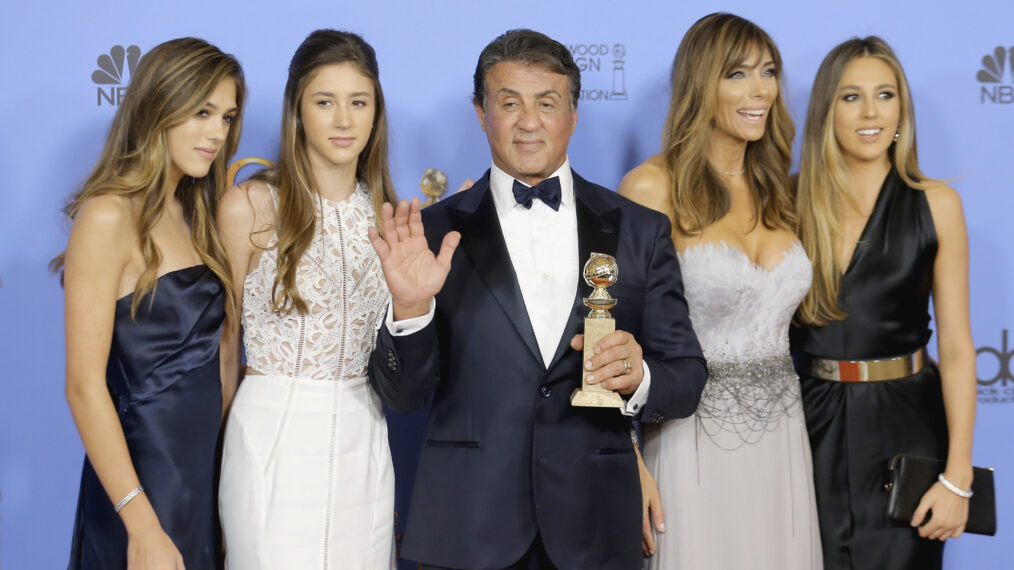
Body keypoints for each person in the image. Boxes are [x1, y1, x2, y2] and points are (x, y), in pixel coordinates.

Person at [367, 28, 707, 569]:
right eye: (509, 103)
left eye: (547, 103)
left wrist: (639, 377)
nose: (529, 122)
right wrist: (410, 310)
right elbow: (403, 397)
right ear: (481, 113)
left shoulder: (640, 230)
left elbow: (686, 377)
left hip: (597, 525)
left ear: (573, 114)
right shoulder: (428, 235)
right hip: (469, 530)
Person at [618, 13, 823, 568]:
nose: (759, 90)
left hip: (782, 439)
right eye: (737, 73)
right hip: (688, 442)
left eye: (769, 71)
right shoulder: (651, 186)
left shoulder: (781, 189)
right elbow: (610, 332)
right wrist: (628, 460)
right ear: (700, 83)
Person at [57, 37, 243, 569]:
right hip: (141, 488)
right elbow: (83, 387)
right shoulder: (108, 216)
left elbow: (222, 364)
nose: (217, 132)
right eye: (202, 111)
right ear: (159, 104)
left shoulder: (197, 216)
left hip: (201, 483)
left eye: (227, 117)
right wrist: (140, 525)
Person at [792, 36, 976, 570]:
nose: (871, 112)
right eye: (850, 97)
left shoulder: (937, 204)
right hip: (808, 420)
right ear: (827, 109)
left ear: (902, 109)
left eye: (885, 94)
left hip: (908, 428)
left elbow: (960, 351)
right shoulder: (788, 202)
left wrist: (957, 475)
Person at [216, 29, 397, 568]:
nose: (343, 120)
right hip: (271, 432)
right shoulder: (250, 205)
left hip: (364, 430)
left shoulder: (388, 214)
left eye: (358, 102)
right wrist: (211, 456)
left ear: (375, 113)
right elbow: (224, 347)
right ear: (298, 109)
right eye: (325, 102)